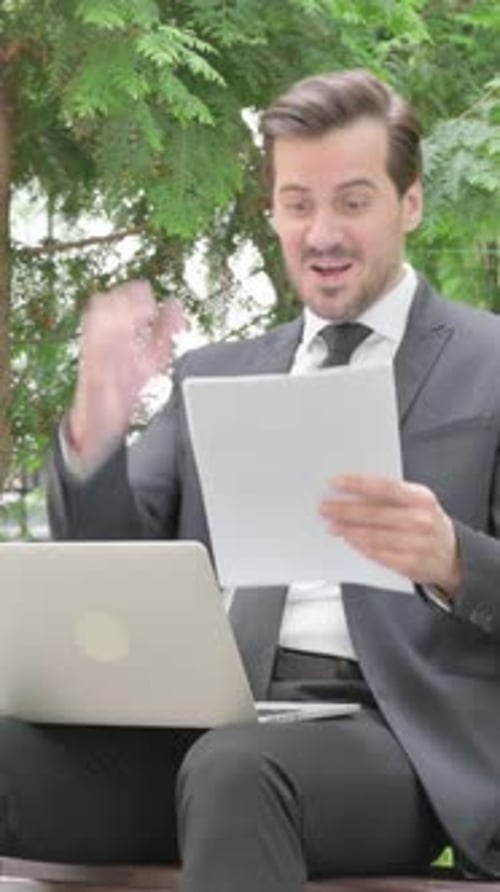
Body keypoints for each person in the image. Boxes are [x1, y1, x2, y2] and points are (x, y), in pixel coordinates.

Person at [2, 69, 500, 891]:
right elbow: (114, 565)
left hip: (405, 748)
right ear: (273, 210)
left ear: (409, 203)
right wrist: (93, 433)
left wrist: (453, 559)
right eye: (298, 203)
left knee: (237, 771)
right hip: (215, 727)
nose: (322, 232)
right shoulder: (216, 376)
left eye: (352, 200)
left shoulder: (489, 364)